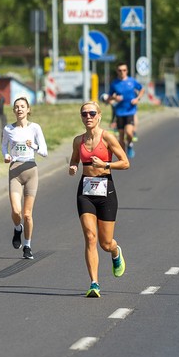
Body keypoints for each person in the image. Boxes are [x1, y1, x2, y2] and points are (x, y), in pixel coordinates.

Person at [68, 101, 130, 297]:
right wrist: (73, 167)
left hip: (106, 191)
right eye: (84, 114)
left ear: (99, 116)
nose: (88, 117)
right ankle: (94, 283)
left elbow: (125, 163)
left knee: (105, 242)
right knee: (90, 236)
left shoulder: (108, 137)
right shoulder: (78, 141)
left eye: (92, 113)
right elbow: (74, 159)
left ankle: (115, 251)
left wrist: (106, 164)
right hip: (85, 191)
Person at [2, 96, 48, 260]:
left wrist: (33, 146)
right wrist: (6, 155)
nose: (19, 109)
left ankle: (27, 245)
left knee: (27, 214)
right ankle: (17, 228)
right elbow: (3, 146)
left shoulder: (35, 128)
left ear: (28, 109)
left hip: (30, 170)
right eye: (16, 107)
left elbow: (44, 152)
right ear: (14, 111)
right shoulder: (8, 129)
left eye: (22, 106)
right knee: (16, 210)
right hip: (15, 170)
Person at [106, 62, 144, 158]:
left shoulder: (132, 81)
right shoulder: (114, 83)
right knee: (121, 137)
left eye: (124, 70)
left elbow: (142, 89)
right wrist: (114, 98)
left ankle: (130, 145)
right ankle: (123, 156)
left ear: (127, 71)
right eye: (120, 70)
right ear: (117, 71)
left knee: (129, 133)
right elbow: (109, 98)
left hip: (130, 111)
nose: (122, 72)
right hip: (119, 112)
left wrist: (137, 99)